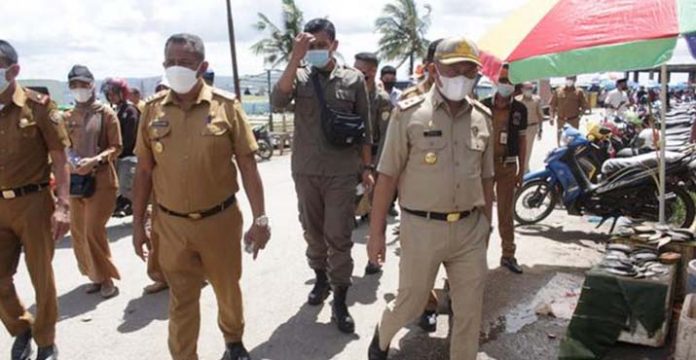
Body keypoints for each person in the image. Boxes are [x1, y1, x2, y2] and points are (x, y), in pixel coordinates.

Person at [132, 33, 269, 360]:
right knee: (181, 299)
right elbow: (144, 172)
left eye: (186, 63)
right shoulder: (150, 112)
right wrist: (138, 224)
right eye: (171, 63)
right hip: (172, 226)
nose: (177, 69)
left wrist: (260, 218)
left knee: (227, 290)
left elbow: (248, 166)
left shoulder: (226, 107)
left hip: (219, 222)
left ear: (202, 66)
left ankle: (233, 340)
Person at [367, 37, 494, 360]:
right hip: (421, 228)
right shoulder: (409, 114)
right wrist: (376, 234)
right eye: (455, 69)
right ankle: (383, 333)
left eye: (470, 71)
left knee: (469, 311)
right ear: (436, 69)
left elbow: (486, 179)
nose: (462, 76)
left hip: (469, 229)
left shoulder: (482, 117)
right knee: (410, 302)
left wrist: (486, 227)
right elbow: (387, 178)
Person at [272, 18, 373, 334]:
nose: (315, 50)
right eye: (310, 45)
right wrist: (294, 57)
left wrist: (367, 170)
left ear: (334, 45)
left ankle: (340, 298)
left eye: (321, 45)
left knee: (338, 235)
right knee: (312, 232)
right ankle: (320, 279)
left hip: (342, 173)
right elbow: (277, 101)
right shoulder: (299, 76)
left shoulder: (353, 80)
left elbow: (365, 130)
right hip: (305, 171)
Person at [0, 39, 70, 360]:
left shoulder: (38, 106)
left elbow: (59, 158)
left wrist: (63, 206)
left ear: (13, 70)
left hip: (34, 202)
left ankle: (45, 342)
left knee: (41, 276)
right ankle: (20, 328)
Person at [65, 64, 122, 299]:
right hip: (75, 181)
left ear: (92, 85)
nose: (80, 89)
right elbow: (63, 146)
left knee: (92, 230)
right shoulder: (67, 117)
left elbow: (116, 147)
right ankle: (94, 275)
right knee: (78, 231)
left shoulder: (105, 114)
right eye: (74, 85)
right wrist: (71, 160)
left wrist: (95, 160)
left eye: (83, 84)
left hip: (101, 181)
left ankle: (107, 278)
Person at [482, 66, 527, 274]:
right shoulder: (482, 107)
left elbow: (522, 139)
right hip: (484, 167)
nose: (505, 84)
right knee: (482, 214)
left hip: (508, 165)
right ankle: (476, 257)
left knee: (506, 213)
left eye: (509, 81)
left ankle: (508, 255)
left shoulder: (520, 110)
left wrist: (521, 170)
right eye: (502, 79)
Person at [353, 52, 393, 275]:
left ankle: (375, 259)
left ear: (372, 72)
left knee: (377, 211)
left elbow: (386, 138)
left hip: (376, 162)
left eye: (363, 71)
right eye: (355, 69)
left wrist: (375, 169)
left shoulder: (382, 100)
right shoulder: (347, 93)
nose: (358, 74)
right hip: (351, 161)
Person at [103, 78, 139, 218]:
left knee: (126, 187)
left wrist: (118, 149)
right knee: (119, 188)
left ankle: (143, 211)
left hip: (129, 156)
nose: (111, 96)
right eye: (109, 94)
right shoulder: (116, 110)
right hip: (118, 156)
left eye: (113, 93)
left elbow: (130, 136)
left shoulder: (130, 110)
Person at [549, 75, 589, 145]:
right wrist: (551, 117)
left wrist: (580, 116)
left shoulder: (579, 92)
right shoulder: (558, 91)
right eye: (568, 78)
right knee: (561, 141)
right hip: (561, 121)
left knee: (572, 141)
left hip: (573, 121)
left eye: (571, 78)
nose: (569, 80)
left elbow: (584, 106)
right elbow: (552, 105)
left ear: (575, 80)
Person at [516, 81, 544, 173]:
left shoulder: (536, 100)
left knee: (527, 149)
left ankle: (525, 169)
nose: (528, 91)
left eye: (530, 89)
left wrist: (540, 129)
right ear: (522, 89)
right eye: (527, 88)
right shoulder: (517, 100)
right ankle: (523, 167)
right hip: (519, 128)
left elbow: (540, 115)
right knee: (518, 148)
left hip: (531, 127)